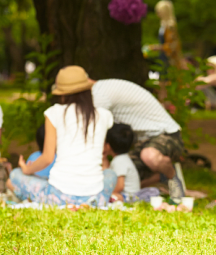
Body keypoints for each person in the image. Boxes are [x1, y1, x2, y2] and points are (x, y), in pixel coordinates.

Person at [7, 66, 117, 206]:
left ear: (62, 93)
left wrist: (27, 169)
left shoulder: (55, 113)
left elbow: (47, 158)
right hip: (94, 195)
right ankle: (93, 202)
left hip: (59, 195)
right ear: (89, 89)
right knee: (111, 175)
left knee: (16, 174)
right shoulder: (104, 115)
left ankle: (38, 199)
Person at [91, 79, 186, 202]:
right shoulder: (101, 90)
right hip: (141, 142)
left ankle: (172, 175)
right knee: (132, 178)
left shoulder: (99, 95)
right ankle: (161, 177)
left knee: (149, 156)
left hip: (166, 134)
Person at [102, 123, 141, 202]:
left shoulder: (119, 161)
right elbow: (108, 173)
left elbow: (120, 186)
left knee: (111, 196)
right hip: (128, 195)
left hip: (129, 197)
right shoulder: (121, 159)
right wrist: (104, 158)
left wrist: (107, 194)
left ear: (108, 145)